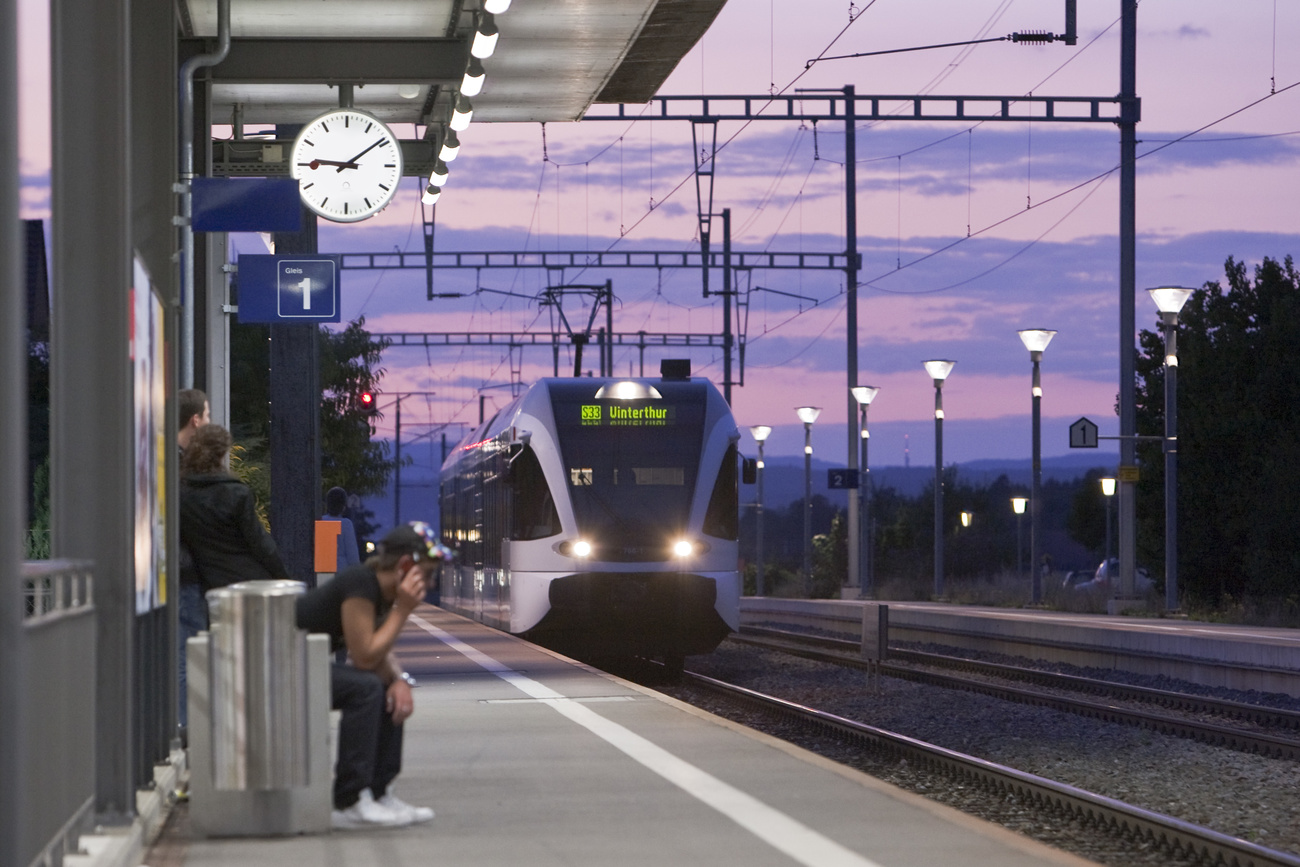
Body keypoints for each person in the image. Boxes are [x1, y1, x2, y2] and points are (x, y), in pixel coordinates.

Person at [295, 521, 444, 830]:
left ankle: (378, 792)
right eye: (426, 574)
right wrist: (403, 610)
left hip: (300, 665)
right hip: (279, 671)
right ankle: (349, 801)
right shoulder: (361, 584)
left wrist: (400, 680)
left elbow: (378, 649)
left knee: (385, 684)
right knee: (365, 688)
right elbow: (363, 656)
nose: (429, 585)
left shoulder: (380, 592)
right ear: (405, 565)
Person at [179, 424, 289, 592]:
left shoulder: (181, 494)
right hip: (248, 581)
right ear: (223, 453)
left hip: (209, 584)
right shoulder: (236, 493)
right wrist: (284, 577)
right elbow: (260, 543)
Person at [177, 388, 211, 732]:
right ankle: (187, 732)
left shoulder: (173, 463)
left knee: (187, 655)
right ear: (195, 420)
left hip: (183, 572)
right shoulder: (179, 467)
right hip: (185, 574)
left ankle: (188, 729)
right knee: (188, 656)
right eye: (208, 414)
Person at [321, 486, 361, 573]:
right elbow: (352, 555)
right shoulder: (346, 524)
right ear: (343, 506)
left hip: (323, 570)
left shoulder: (321, 521)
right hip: (341, 571)